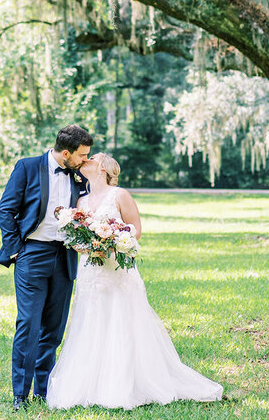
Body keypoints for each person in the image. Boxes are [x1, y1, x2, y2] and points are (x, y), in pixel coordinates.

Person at [46, 152, 224, 410]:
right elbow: (76, 234)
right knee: (92, 319)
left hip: (117, 269)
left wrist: (114, 242)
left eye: (92, 158)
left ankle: (125, 382)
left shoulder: (119, 195)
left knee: (122, 318)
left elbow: (135, 228)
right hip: (91, 270)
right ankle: (90, 381)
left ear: (103, 168)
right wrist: (85, 247)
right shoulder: (81, 199)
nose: (85, 160)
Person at [0, 124, 93, 411]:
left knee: (53, 329)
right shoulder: (27, 167)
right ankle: (19, 395)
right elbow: (6, 209)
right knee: (28, 325)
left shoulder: (80, 176)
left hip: (64, 257)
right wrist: (16, 249)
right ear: (66, 153)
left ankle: (43, 391)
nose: (86, 160)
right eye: (82, 155)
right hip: (32, 254)